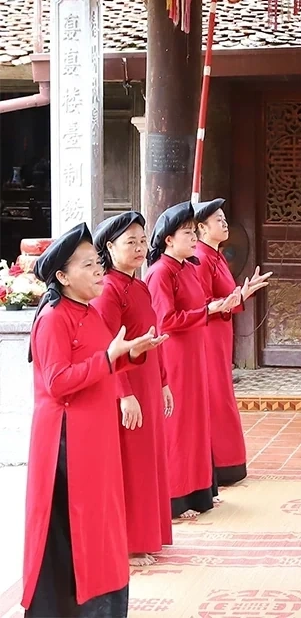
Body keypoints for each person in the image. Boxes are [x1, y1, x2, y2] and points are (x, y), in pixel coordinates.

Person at [21, 223, 165, 617]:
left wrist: (130, 351)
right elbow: (57, 382)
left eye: (98, 262)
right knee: (79, 530)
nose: (99, 270)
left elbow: (102, 364)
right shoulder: (53, 318)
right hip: (68, 441)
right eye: (88, 265)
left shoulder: (87, 311)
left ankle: (103, 605)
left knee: (102, 526)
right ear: (63, 277)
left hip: (95, 434)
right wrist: (108, 357)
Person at [146, 202, 242, 519]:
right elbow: (166, 320)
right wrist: (209, 311)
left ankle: (200, 490)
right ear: (168, 240)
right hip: (175, 355)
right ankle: (177, 493)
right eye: (187, 233)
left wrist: (219, 306)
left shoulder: (188, 267)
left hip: (194, 349)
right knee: (179, 423)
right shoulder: (161, 272)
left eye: (192, 231)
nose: (192, 237)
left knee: (198, 421)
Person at [90, 211, 175, 568]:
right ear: (109, 248)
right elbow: (107, 346)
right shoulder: (108, 290)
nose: (140, 248)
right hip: (127, 387)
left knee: (149, 459)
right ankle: (128, 544)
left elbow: (155, 338)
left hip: (148, 381)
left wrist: (164, 382)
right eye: (131, 242)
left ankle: (147, 535)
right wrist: (123, 393)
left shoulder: (137, 285)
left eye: (143, 241)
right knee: (130, 464)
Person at [192, 198, 270, 487]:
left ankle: (227, 462)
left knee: (221, 393)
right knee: (215, 395)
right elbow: (200, 304)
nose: (224, 223)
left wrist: (242, 292)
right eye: (218, 220)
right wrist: (234, 298)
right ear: (201, 228)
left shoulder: (215, 255)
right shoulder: (200, 258)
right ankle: (219, 462)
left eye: (224, 219)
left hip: (220, 333)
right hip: (208, 334)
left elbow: (223, 299)